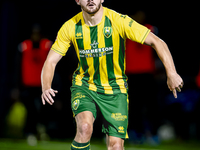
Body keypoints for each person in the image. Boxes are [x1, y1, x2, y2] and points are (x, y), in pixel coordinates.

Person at [41, 0, 183, 150]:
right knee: (84, 128)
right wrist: (46, 86)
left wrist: (172, 73)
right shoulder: (70, 26)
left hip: (115, 89)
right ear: (77, 1)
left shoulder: (118, 20)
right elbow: (50, 61)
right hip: (84, 86)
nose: (90, 0)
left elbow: (157, 41)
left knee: (115, 146)